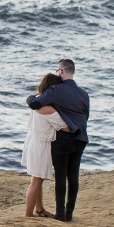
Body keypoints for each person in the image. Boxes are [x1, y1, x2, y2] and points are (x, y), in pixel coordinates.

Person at [26, 59, 90, 222]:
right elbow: (86, 115)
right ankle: (69, 213)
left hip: (63, 139)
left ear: (61, 71)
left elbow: (36, 103)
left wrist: (31, 97)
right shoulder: (83, 93)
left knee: (61, 176)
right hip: (81, 138)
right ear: (72, 71)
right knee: (73, 176)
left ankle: (60, 214)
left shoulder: (56, 89)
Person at [22, 72, 69, 218]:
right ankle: (28, 214)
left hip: (33, 140)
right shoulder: (48, 108)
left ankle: (40, 209)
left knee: (37, 179)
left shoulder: (36, 99)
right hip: (41, 146)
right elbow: (65, 127)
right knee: (36, 182)